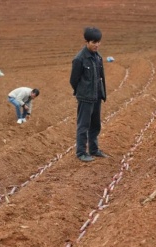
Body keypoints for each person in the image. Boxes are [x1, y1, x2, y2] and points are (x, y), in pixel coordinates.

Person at [69, 27, 108, 162]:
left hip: (96, 96)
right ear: (87, 42)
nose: (96, 45)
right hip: (85, 97)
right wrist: (82, 91)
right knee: (83, 125)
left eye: (98, 42)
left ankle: (94, 149)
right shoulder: (80, 59)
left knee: (95, 125)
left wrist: (101, 93)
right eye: (93, 42)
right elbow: (73, 80)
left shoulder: (98, 57)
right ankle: (81, 153)